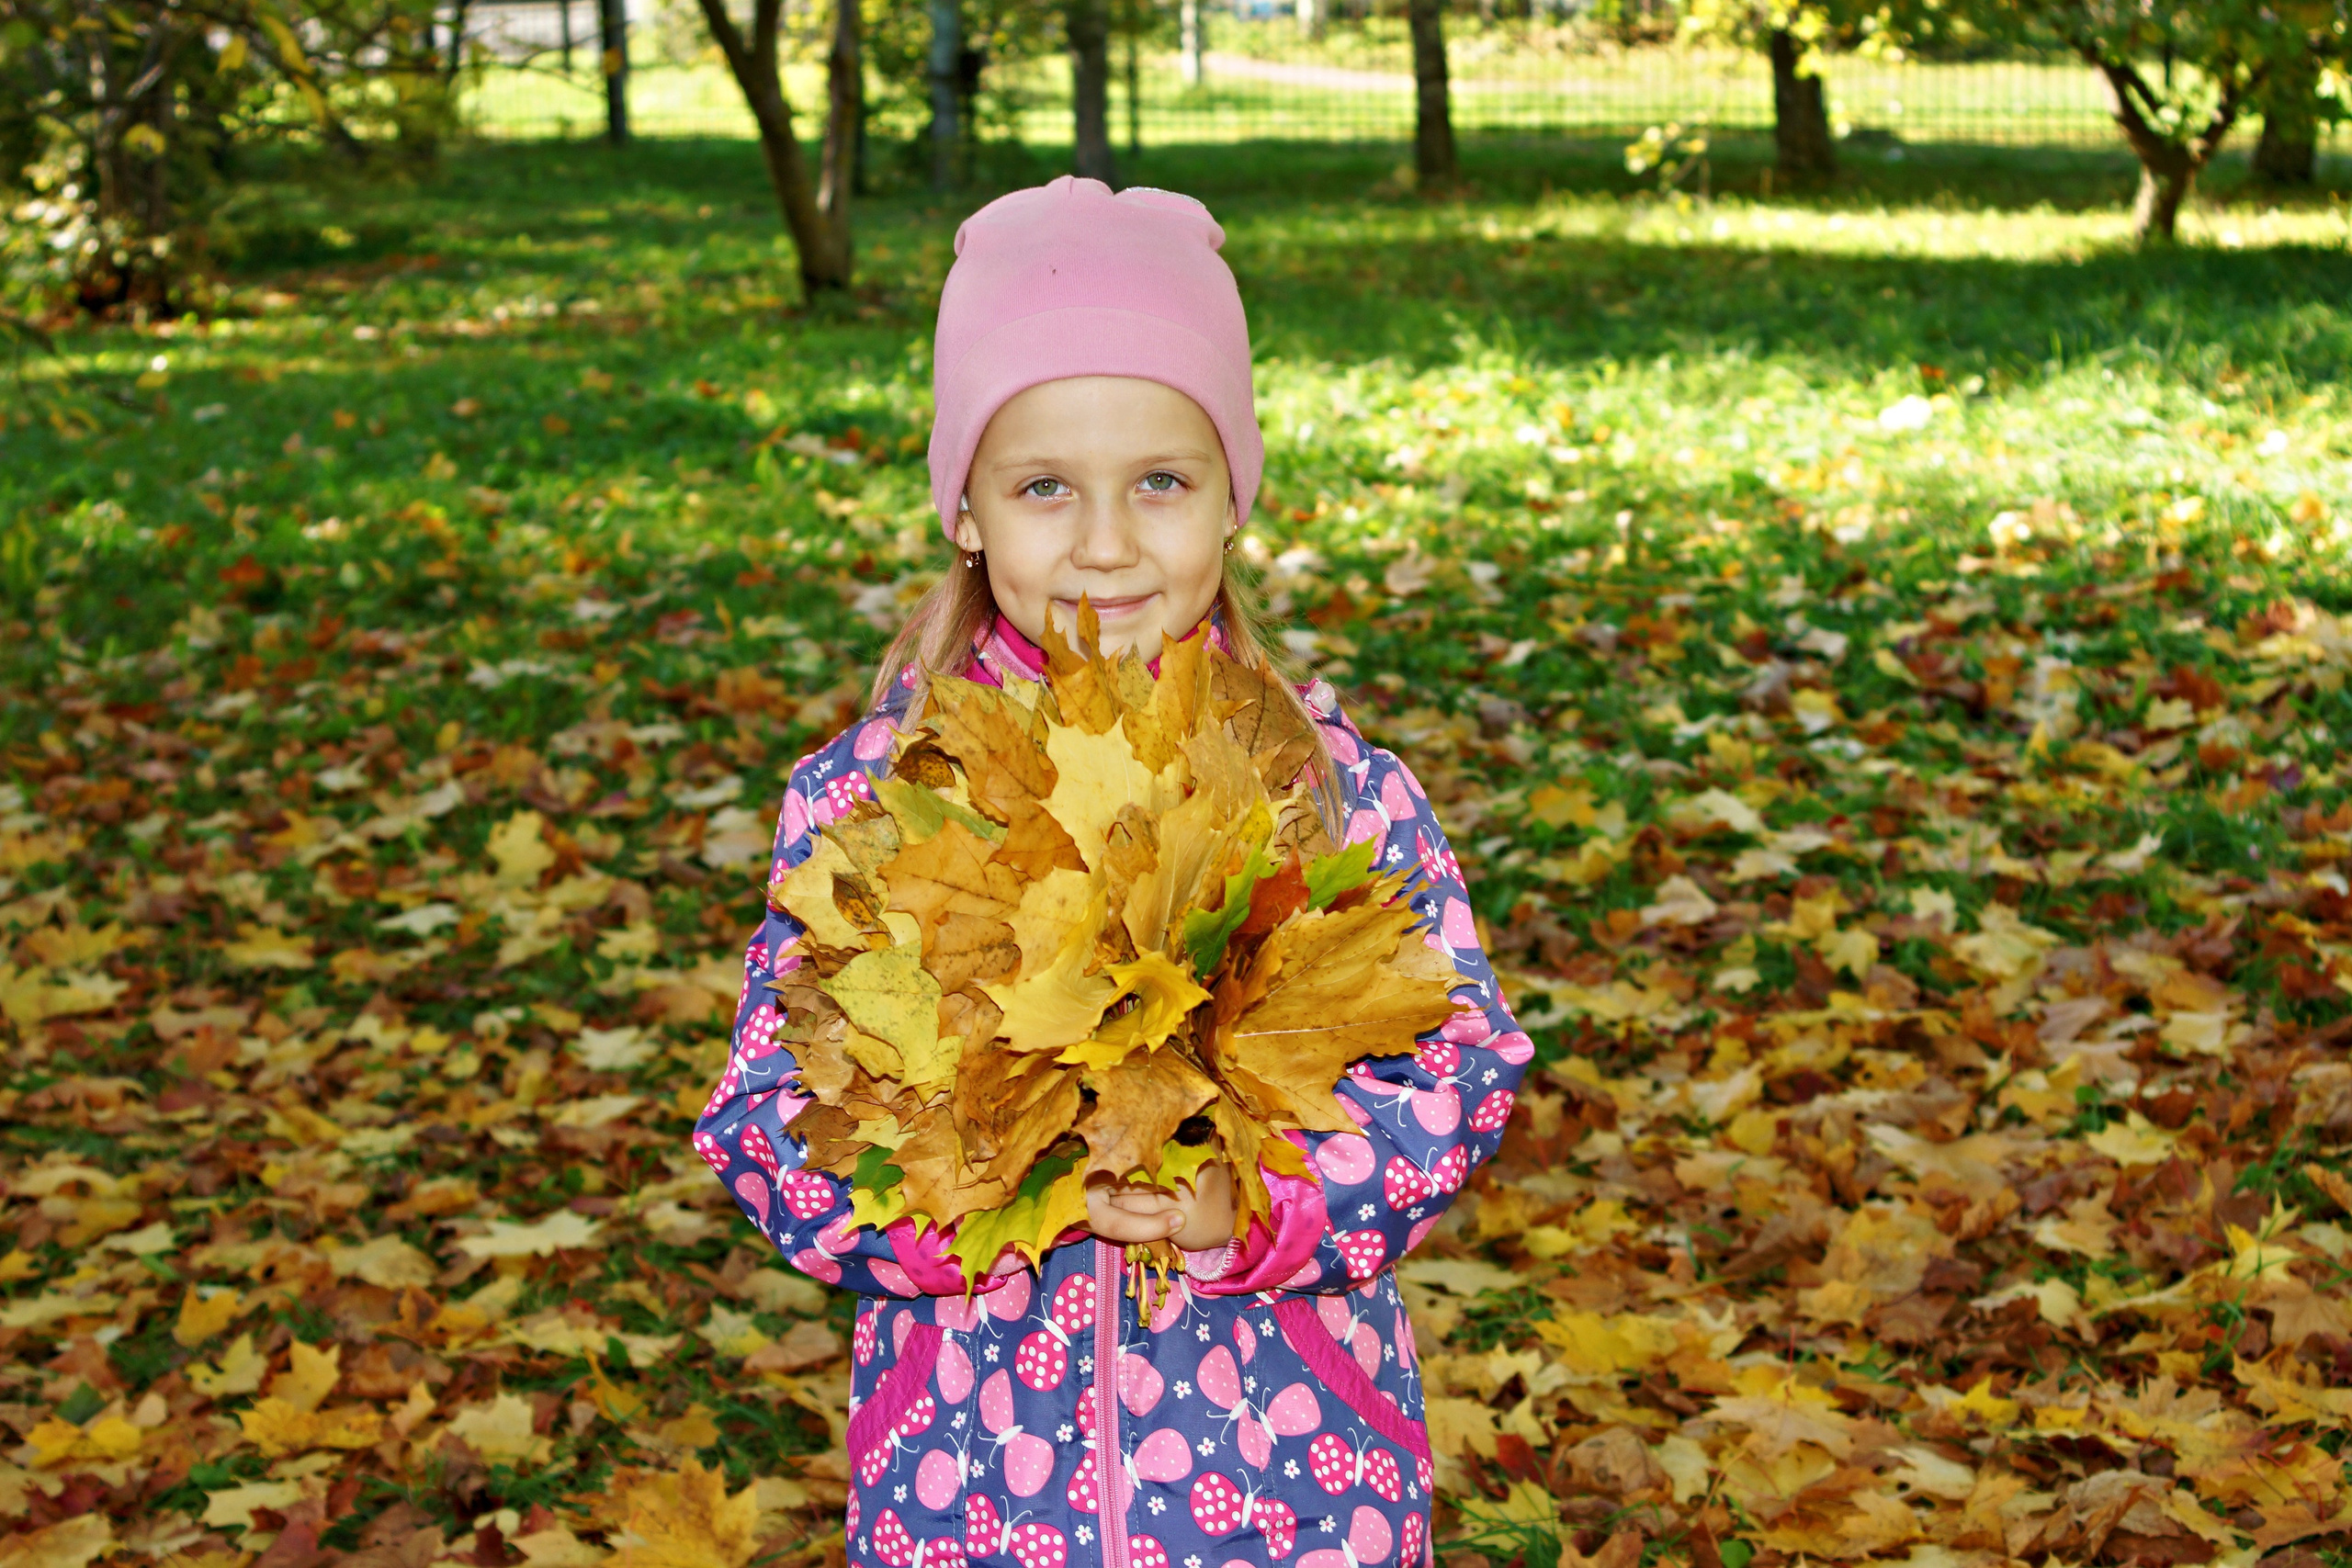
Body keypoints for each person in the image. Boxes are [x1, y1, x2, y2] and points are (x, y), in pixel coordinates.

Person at [695, 176, 1532, 1568]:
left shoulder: (1327, 794)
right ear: (964, 510)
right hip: (969, 1492)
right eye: (1043, 487)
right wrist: (970, 1204)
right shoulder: (875, 805)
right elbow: (769, 1120)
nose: (1103, 543)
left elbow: (1456, 1073)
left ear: (1230, 499)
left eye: (1160, 480)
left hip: (1289, 1488)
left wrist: (1251, 1205)